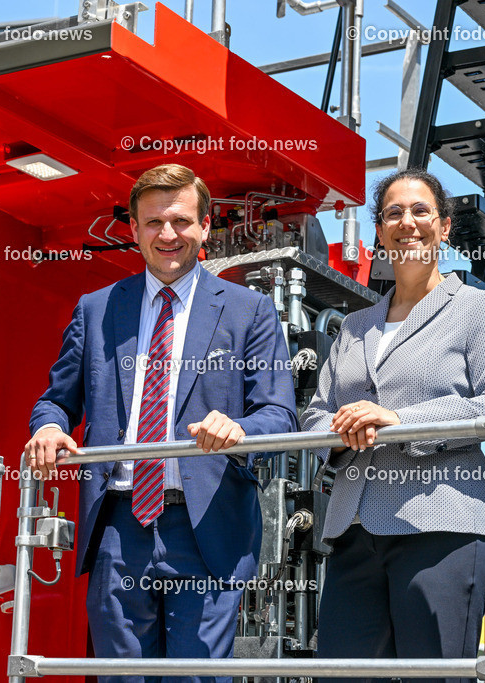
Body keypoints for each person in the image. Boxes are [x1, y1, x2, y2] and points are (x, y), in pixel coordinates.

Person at [25, 164, 297, 682]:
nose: (167, 235)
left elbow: (278, 415)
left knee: (192, 678)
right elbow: (56, 401)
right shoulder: (97, 308)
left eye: (180, 221)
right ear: (133, 229)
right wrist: (48, 428)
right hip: (118, 527)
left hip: (206, 529)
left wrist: (239, 431)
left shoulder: (250, 311)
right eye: (153, 223)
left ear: (204, 226)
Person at [301, 168, 485, 683]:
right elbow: (316, 412)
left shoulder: (476, 309)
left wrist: (400, 421)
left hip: (442, 528)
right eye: (394, 213)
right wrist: (339, 437)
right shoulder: (356, 325)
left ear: (444, 227)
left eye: (421, 211)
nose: (408, 223)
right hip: (354, 533)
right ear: (379, 232)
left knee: (436, 677)